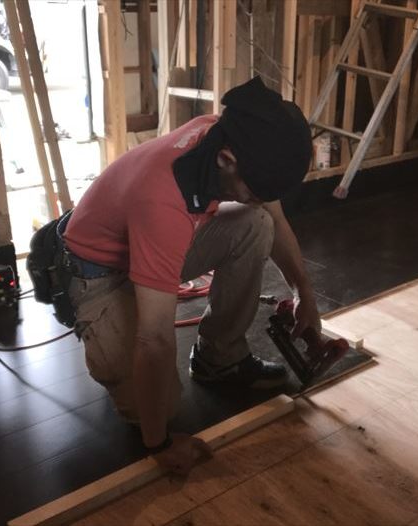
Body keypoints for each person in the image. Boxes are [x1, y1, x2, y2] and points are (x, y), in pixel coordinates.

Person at [62, 77, 320, 475]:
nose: (260, 197)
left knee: (256, 223)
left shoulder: (230, 136)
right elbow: (154, 338)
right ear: (227, 160)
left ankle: (221, 359)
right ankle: (105, 332)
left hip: (149, 241)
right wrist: (160, 445)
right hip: (101, 274)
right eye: (256, 190)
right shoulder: (164, 197)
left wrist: (304, 292)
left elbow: (276, 217)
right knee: (161, 411)